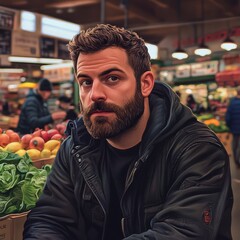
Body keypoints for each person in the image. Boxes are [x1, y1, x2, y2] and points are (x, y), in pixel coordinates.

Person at [23, 24, 233, 240]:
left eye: (112, 78)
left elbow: (181, 233)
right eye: (86, 82)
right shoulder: (75, 147)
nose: (95, 94)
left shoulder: (197, 149)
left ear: (145, 84)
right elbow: (49, 219)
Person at [225, 86, 240, 168]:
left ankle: (236, 161)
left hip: (234, 128)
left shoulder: (232, 102)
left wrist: (229, 125)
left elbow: (228, 117)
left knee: (235, 144)